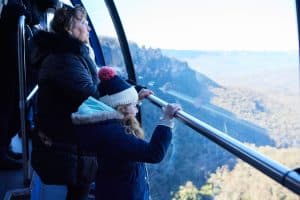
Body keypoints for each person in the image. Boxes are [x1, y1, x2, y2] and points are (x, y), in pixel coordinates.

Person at [31, 5, 150, 200]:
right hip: (67, 139)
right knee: (79, 190)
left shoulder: (70, 53)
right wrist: (130, 98)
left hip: (67, 132)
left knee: (80, 189)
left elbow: (96, 82)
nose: (89, 28)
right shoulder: (65, 59)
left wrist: (133, 90)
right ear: (70, 28)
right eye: (84, 22)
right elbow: (93, 95)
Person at [71, 66, 181, 200]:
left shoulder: (105, 125)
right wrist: (166, 119)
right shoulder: (115, 136)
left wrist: (135, 99)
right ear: (122, 108)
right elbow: (154, 153)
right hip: (124, 193)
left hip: (112, 189)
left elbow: (122, 114)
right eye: (133, 105)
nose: (136, 109)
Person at [0, 0, 58, 170]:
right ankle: (1, 152)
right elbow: (18, 14)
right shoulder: (17, 5)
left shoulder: (31, 6)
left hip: (19, 64)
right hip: (8, 65)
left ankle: (5, 146)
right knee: (5, 111)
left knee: (17, 112)